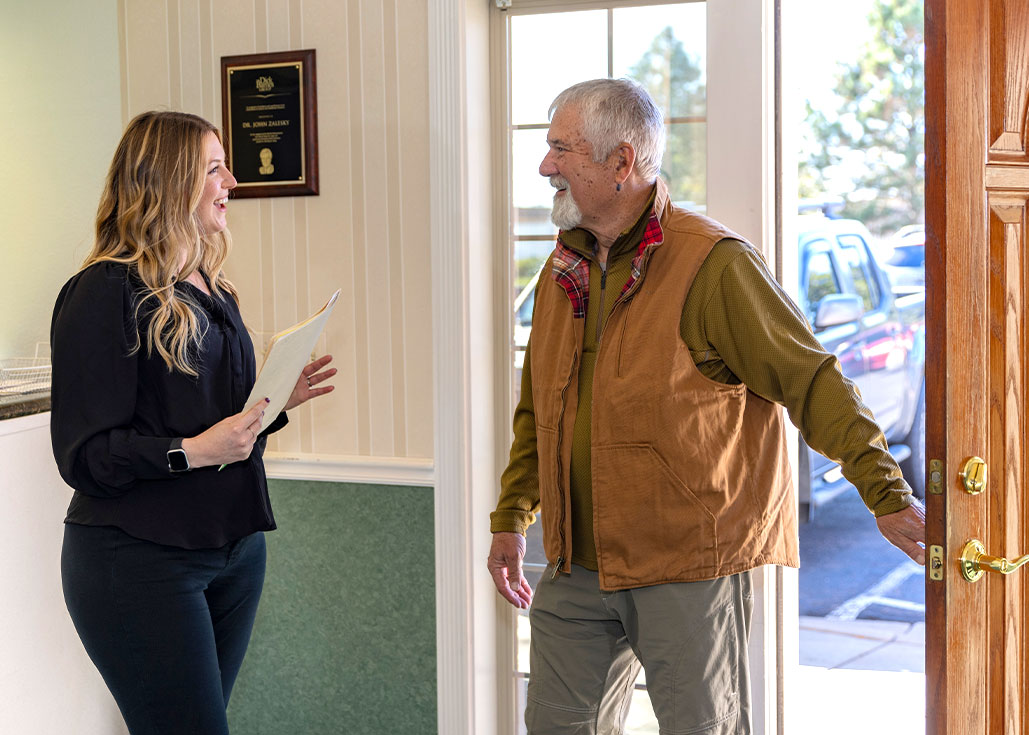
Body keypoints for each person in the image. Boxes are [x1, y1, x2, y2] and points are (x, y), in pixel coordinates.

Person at [486, 79, 926, 734]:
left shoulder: (713, 264)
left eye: (561, 149)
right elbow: (540, 409)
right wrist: (511, 513)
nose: (545, 165)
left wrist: (884, 492)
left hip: (683, 566)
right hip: (574, 562)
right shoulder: (563, 267)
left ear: (621, 162)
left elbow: (811, 377)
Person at [50, 110, 336, 735]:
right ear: (169, 181)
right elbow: (86, 457)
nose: (231, 180)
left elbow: (212, 422)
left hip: (234, 549)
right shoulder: (103, 292)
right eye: (213, 168)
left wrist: (273, 406)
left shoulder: (213, 286)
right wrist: (190, 451)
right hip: (140, 561)